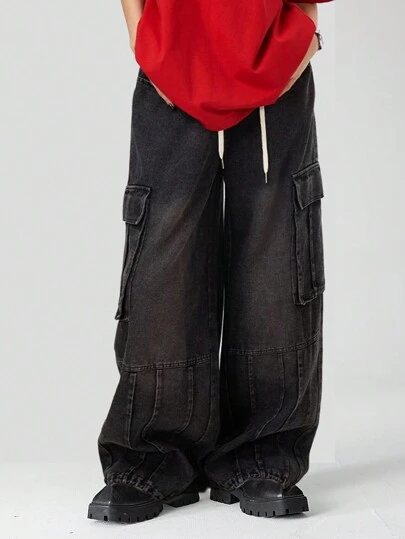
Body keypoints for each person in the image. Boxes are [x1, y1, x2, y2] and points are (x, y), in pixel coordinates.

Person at [88, 0, 331, 524]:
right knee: (162, 256)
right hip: (171, 62)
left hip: (274, 62)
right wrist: (139, 35)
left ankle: (263, 453)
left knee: (275, 250)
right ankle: (152, 456)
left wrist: (306, 32)